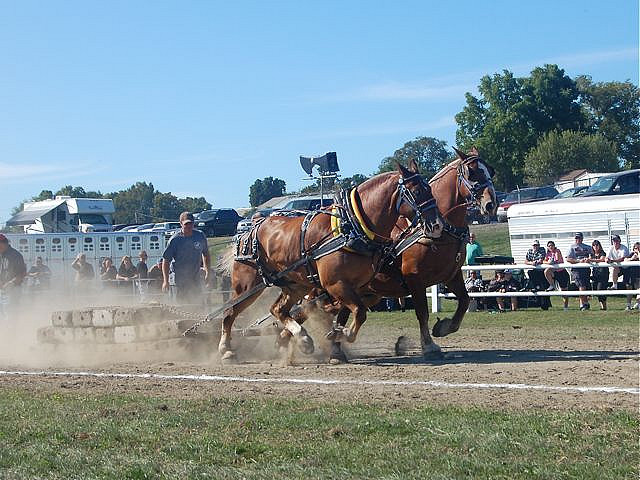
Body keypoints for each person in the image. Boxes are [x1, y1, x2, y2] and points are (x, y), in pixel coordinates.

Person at [162, 211, 210, 303]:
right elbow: (166, 260)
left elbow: (206, 254)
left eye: (191, 223)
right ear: (181, 224)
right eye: (186, 224)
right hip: (179, 279)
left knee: (198, 304)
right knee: (181, 305)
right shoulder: (175, 240)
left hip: (195, 279)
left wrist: (207, 271)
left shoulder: (200, 236)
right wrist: (166, 281)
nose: (189, 226)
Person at [566, 232, 593, 311]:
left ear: (582, 238)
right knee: (581, 285)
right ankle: (584, 304)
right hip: (577, 269)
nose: (578, 239)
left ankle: (584, 303)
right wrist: (578, 261)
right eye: (576, 238)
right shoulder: (572, 247)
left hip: (586, 269)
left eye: (579, 238)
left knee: (584, 286)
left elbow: (592, 255)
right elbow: (568, 259)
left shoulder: (587, 247)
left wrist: (589, 259)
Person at [0, 233, 27, 316]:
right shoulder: (3, 255)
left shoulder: (15, 255)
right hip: (3, 289)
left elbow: (22, 273)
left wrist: (11, 283)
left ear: (4, 243)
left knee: (10, 313)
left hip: (13, 290)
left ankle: (12, 328)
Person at [524, 239, 551, 309]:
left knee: (544, 288)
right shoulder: (529, 251)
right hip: (534, 272)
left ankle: (545, 305)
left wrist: (535, 262)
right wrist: (531, 263)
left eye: (537, 245)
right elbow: (526, 261)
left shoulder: (542, 250)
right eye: (534, 245)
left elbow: (541, 259)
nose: (535, 246)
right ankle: (539, 303)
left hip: (542, 272)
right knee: (536, 288)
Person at [543, 241, 569, 311]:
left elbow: (557, 260)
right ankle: (552, 285)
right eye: (549, 246)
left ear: (554, 246)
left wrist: (550, 262)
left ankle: (565, 307)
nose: (550, 247)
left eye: (552, 245)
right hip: (554, 272)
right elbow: (544, 261)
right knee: (546, 271)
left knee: (564, 291)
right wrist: (548, 262)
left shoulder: (557, 251)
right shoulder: (548, 253)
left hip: (562, 272)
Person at [589, 240, 609, 311]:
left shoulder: (602, 253)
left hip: (603, 274)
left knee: (600, 289)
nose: (595, 247)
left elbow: (602, 259)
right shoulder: (592, 254)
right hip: (595, 274)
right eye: (594, 245)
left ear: (599, 246)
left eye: (597, 245)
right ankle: (602, 306)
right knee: (596, 290)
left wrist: (591, 260)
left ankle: (604, 306)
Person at [622, 242, 640, 310]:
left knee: (638, 288)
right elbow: (625, 260)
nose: (637, 249)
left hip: (638, 274)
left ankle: (638, 303)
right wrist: (632, 259)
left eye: (639, 248)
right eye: (636, 248)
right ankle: (628, 305)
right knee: (629, 288)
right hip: (630, 274)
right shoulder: (632, 254)